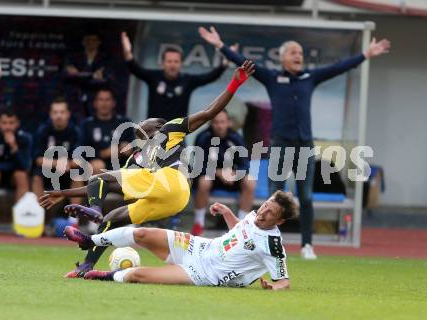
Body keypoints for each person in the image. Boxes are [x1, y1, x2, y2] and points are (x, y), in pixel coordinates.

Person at [39, 60, 255, 277]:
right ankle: (86, 265)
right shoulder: (137, 158)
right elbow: (100, 186)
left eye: (145, 123)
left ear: (158, 126)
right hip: (172, 200)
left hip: (171, 179)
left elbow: (209, 113)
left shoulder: (170, 129)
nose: (139, 127)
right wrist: (63, 193)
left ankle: (95, 210)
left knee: (101, 177)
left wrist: (234, 84)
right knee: (111, 218)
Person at [199, 26, 391, 259]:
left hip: (304, 147)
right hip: (280, 145)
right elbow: (244, 61)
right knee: (275, 197)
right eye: (292, 52)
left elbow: (338, 68)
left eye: (300, 52)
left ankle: (307, 245)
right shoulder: (272, 78)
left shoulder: (309, 78)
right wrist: (220, 45)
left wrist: (366, 54)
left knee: (306, 196)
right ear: (282, 58)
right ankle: (264, 243)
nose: (298, 55)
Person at [64, 191, 297, 289]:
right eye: (266, 204)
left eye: (270, 213)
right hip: (200, 246)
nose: (263, 211)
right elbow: (241, 232)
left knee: (137, 274)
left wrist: (273, 287)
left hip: (205, 274)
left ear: (280, 222)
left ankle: (104, 275)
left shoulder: (273, 245)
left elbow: (284, 281)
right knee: (142, 233)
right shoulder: (255, 215)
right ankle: (89, 240)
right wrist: (227, 212)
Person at [121, 32, 227, 120]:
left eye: (176, 61)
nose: (172, 64)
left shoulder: (187, 80)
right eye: (169, 61)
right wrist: (127, 53)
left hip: (178, 134)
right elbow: (135, 69)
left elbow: (210, 77)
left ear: (181, 64)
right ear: (163, 63)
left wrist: (225, 62)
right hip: (154, 133)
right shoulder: (154, 77)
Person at [192, 110, 255, 236]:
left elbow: (245, 164)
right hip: (211, 177)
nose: (219, 126)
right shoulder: (203, 137)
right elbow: (198, 166)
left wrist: (235, 174)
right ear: (211, 123)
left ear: (229, 123)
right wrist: (218, 172)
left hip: (232, 178)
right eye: (216, 122)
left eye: (222, 122)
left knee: (250, 182)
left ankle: (240, 225)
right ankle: (199, 223)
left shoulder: (236, 138)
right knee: (204, 182)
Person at [31, 98, 82, 226]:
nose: (58, 115)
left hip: (67, 172)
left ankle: (73, 221)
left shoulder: (75, 132)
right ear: (50, 114)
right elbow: (37, 159)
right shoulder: (43, 130)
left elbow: (79, 159)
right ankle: (38, 220)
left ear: (68, 114)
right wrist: (57, 163)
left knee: (78, 174)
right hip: (48, 172)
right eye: (55, 112)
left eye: (62, 112)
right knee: (36, 176)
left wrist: (68, 164)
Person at [0, 109, 32, 233]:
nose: (8, 126)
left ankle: (18, 220)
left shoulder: (25, 138)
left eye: (11, 123)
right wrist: (11, 165)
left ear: (17, 123)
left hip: (14, 178)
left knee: (21, 175)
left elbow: (25, 166)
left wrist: (13, 147)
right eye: (4, 123)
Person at [80, 87, 134, 175]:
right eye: (101, 100)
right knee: (98, 166)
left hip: (121, 164)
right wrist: (102, 153)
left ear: (113, 103)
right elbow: (82, 150)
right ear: (95, 103)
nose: (104, 103)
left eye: (107, 100)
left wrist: (128, 148)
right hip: (95, 165)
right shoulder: (86, 124)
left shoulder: (125, 122)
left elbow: (133, 146)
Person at [64, 32, 113, 116]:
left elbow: (105, 81)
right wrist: (92, 76)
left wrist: (79, 76)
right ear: (83, 42)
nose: (90, 42)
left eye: (94, 40)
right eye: (88, 40)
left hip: (96, 99)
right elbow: (68, 77)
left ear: (99, 42)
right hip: (75, 98)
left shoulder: (105, 59)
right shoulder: (73, 57)